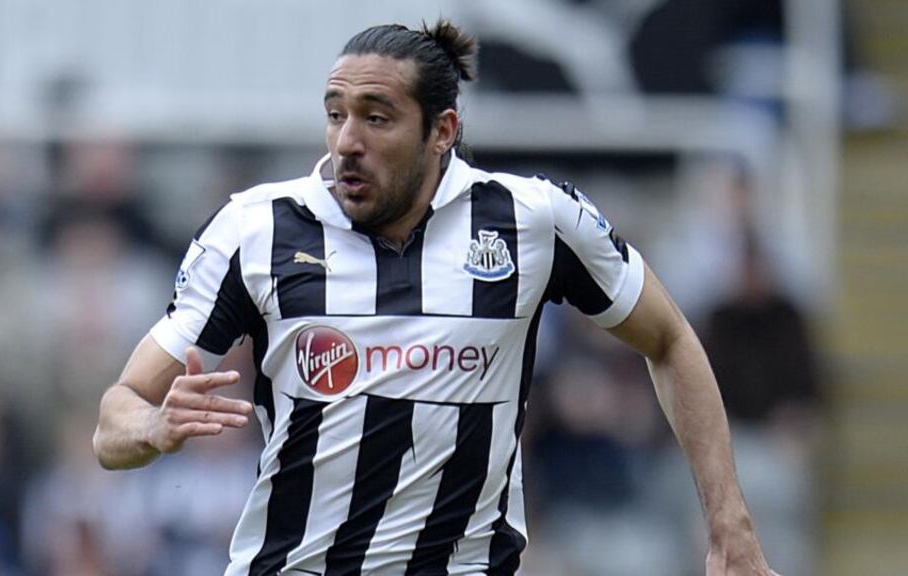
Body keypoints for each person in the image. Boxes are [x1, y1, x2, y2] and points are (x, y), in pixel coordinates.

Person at [93, 20, 779, 576]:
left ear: (442, 131)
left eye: (376, 117)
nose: (348, 142)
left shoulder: (531, 221)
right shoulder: (256, 229)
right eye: (335, 115)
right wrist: (151, 430)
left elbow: (670, 340)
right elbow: (113, 420)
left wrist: (730, 530)